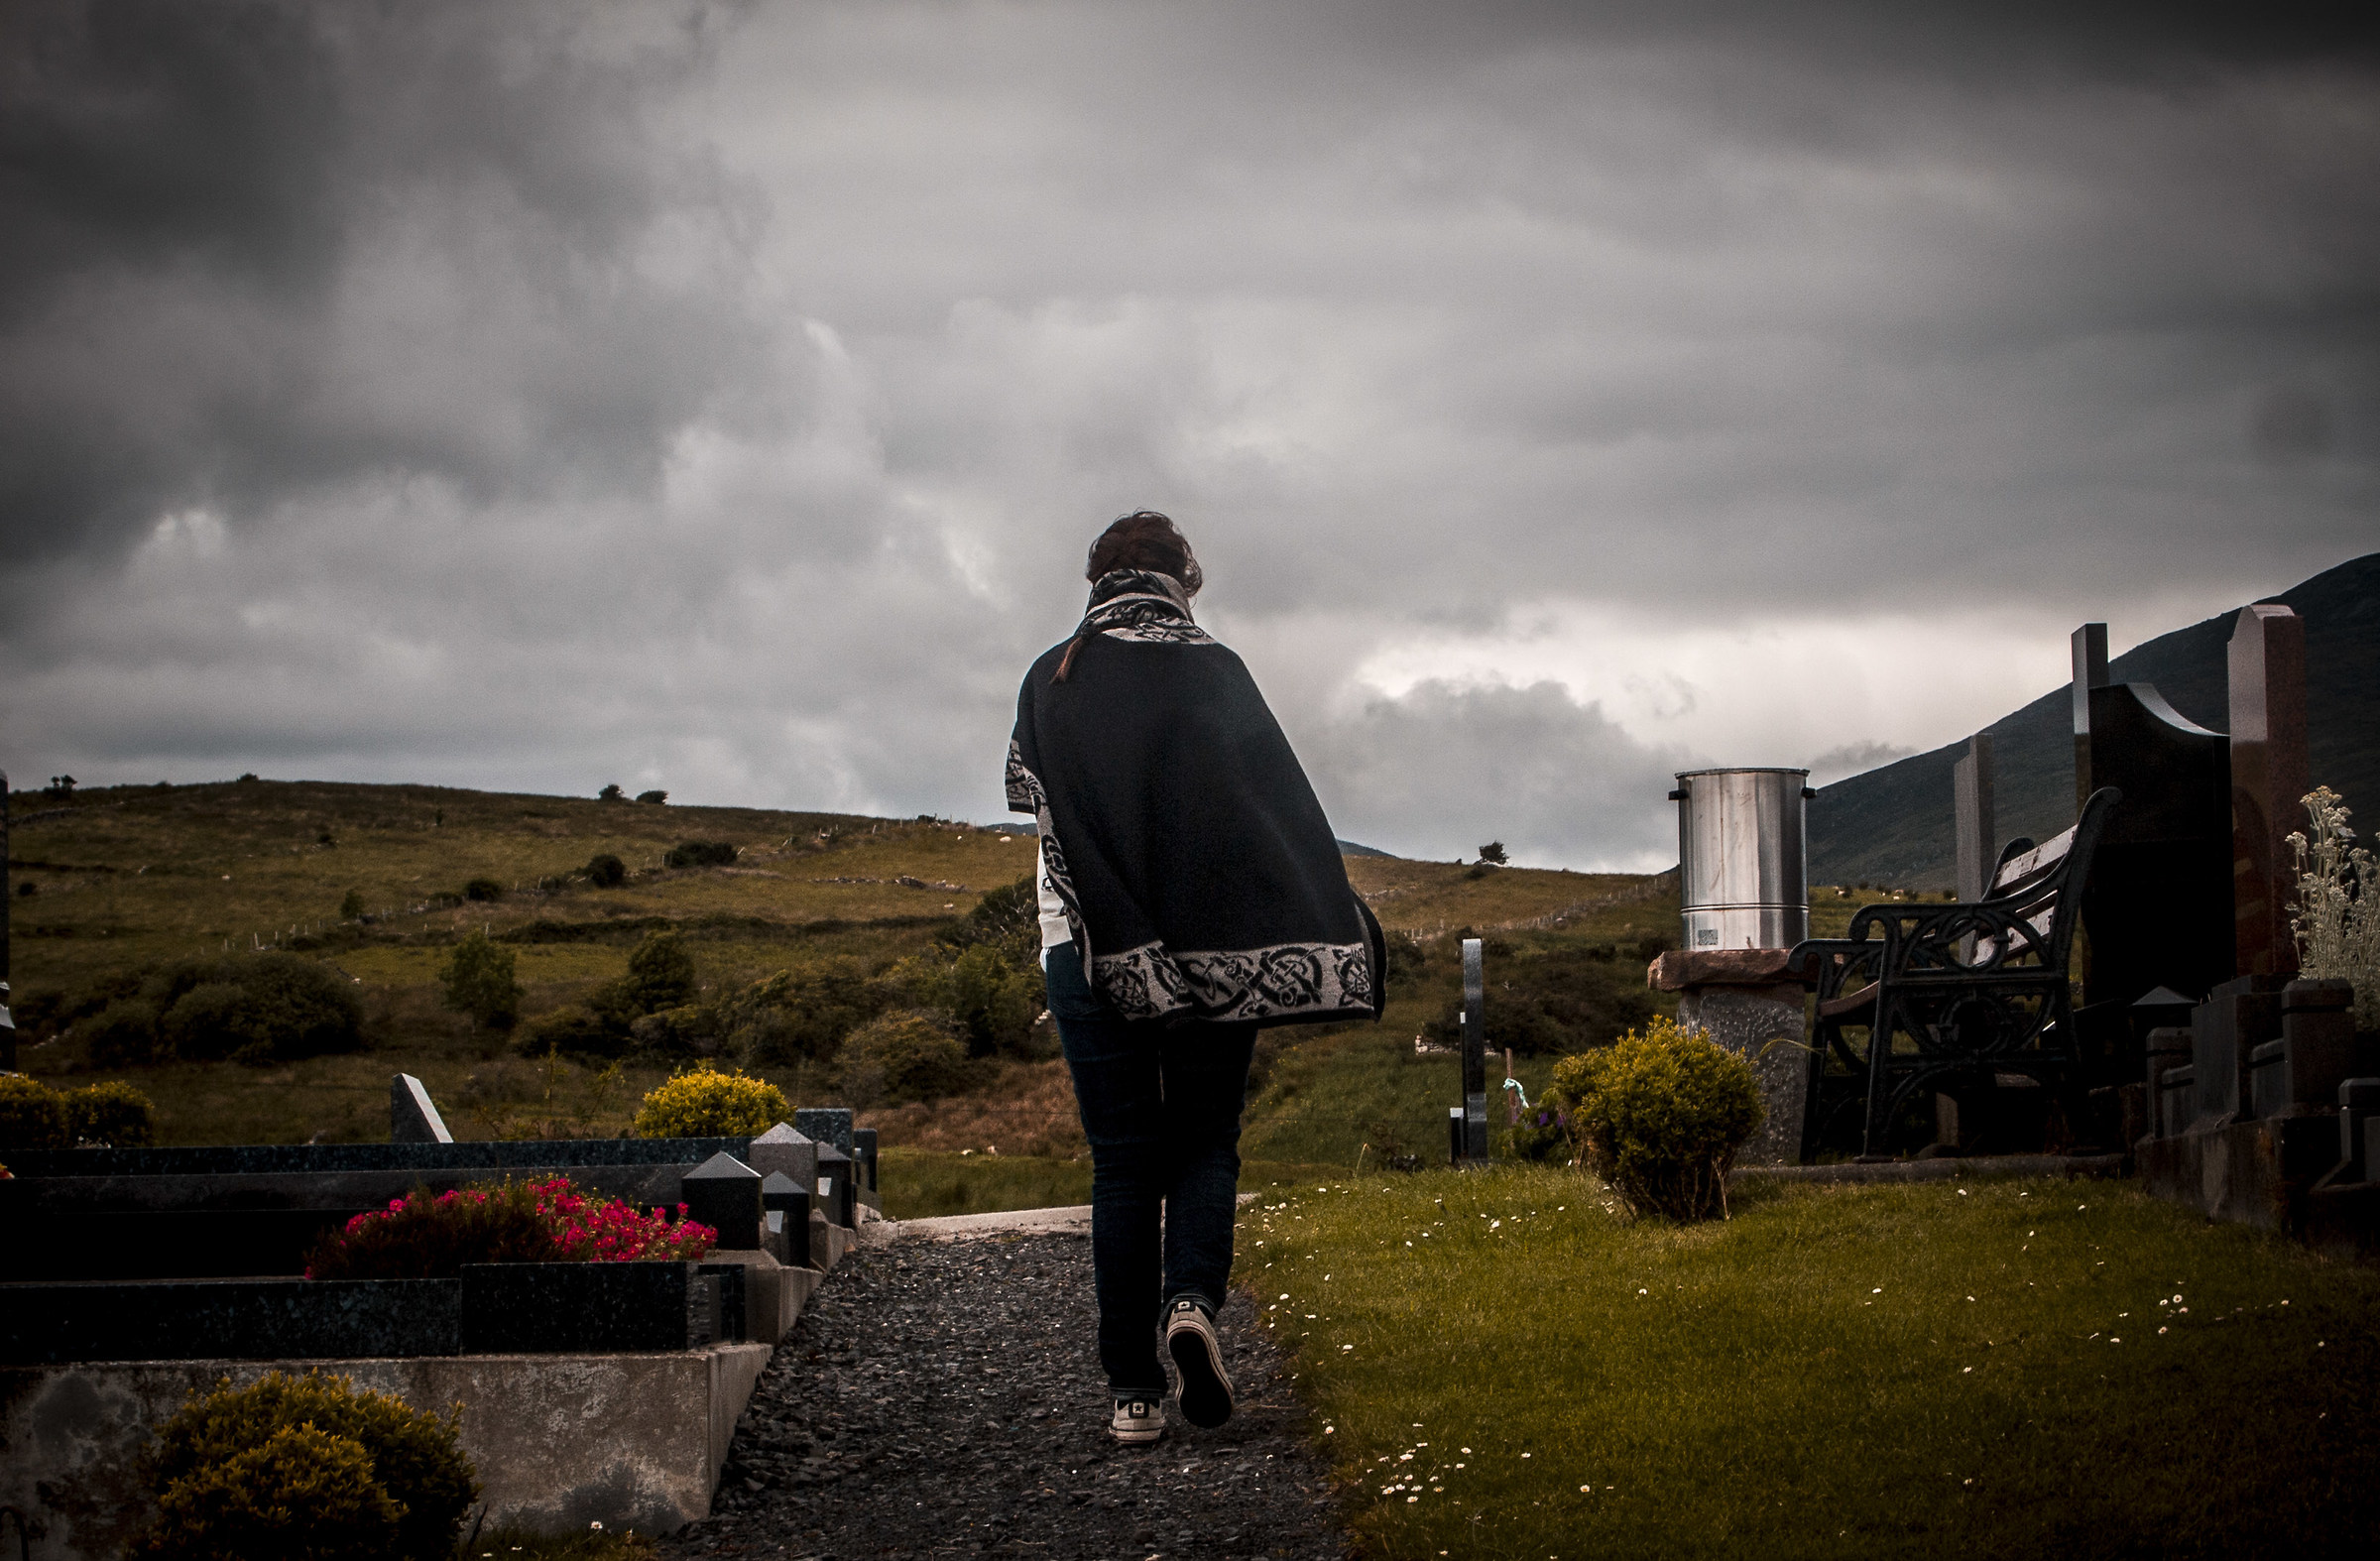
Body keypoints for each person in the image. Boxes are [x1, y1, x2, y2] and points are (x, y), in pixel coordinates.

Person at [1007, 510, 1385, 1444]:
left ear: (1096, 578)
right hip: (1221, 956)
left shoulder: (1052, 677)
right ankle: (1190, 1308)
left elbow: (1031, 801)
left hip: (1086, 952)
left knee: (1125, 1162)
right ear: (1184, 576)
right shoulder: (1218, 670)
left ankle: (1133, 1395)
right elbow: (1272, 816)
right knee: (1206, 1142)